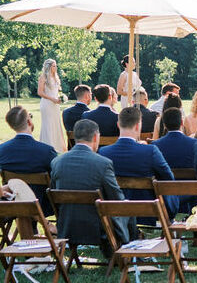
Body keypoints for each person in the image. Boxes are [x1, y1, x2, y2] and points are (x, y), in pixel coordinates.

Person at [50, 119, 128, 258]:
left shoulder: (56, 162)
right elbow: (117, 198)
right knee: (127, 209)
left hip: (67, 226)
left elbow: (55, 196)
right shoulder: (103, 163)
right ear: (95, 137)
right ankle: (128, 251)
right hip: (98, 229)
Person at [99, 106, 176, 215]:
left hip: (116, 208)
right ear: (137, 126)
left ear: (118, 124)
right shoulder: (150, 151)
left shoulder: (103, 152)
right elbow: (169, 177)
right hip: (149, 209)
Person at [0, 106, 58, 211]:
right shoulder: (46, 151)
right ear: (29, 122)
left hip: (13, 202)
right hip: (42, 204)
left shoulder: (2, 150)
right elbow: (56, 176)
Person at [153, 108, 197, 173]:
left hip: (165, 182)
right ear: (182, 122)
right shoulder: (195, 143)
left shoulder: (155, 145)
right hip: (191, 181)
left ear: (164, 125)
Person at [36, 58, 66, 153]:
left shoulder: (56, 77)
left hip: (55, 105)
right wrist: (52, 99)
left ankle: (57, 147)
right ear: (49, 67)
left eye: (56, 65)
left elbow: (57, 91)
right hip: (47, 104)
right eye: (54, 66)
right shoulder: (43, 77)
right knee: (48, 124)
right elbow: (40, 92)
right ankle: (48, 147)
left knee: (56, 124)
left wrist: (60, 98)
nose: (56, 67)